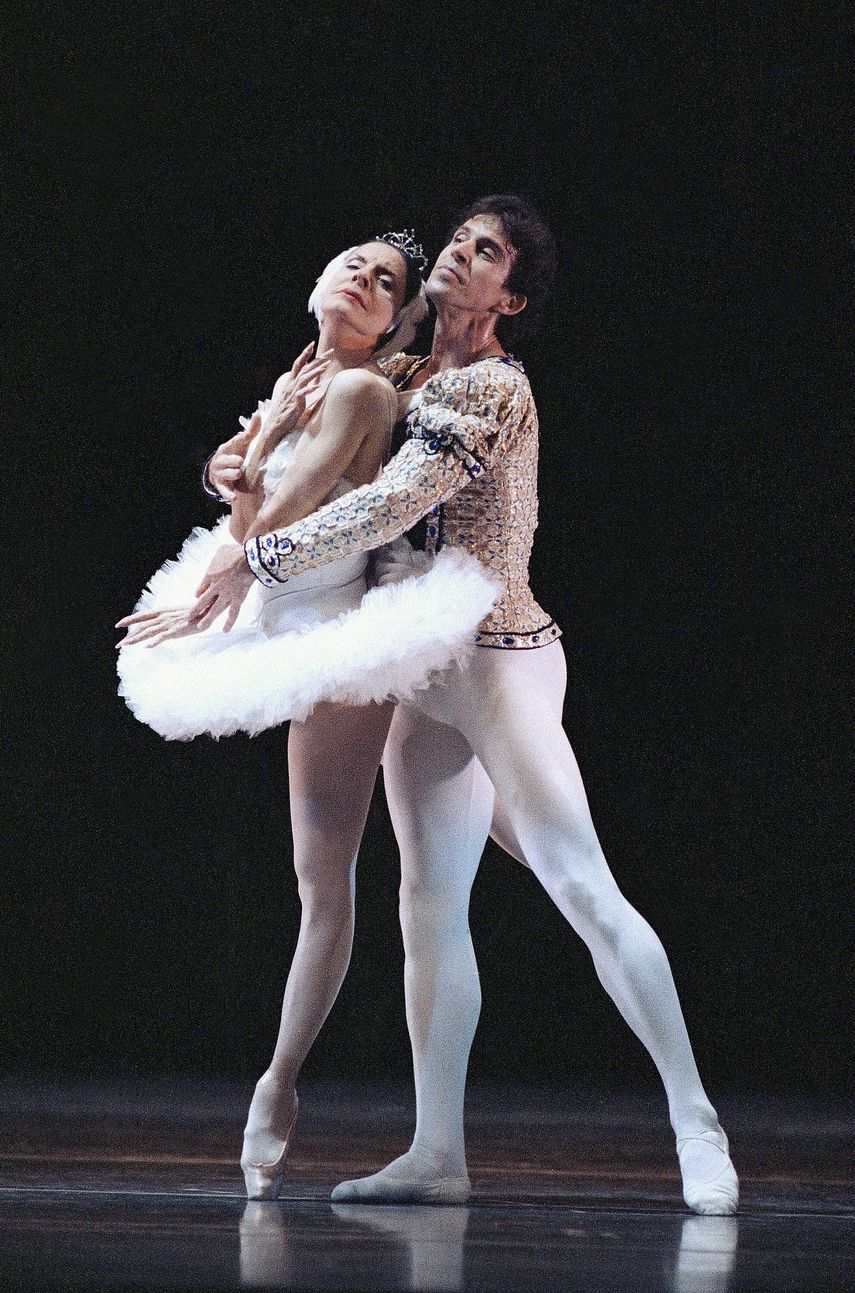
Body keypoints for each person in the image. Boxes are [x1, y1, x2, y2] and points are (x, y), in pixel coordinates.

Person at [174, 195, 740, 1216]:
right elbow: (310, 462)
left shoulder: (492, 387)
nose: (460, 257)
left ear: (510, 298)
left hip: (497, 657)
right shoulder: (393, 377)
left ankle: (696, 1122)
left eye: (487, 254)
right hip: (420, 671)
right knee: (428, 907)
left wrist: (257, 559)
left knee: (579, 881)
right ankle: (439, 1152)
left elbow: (395, 501)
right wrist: (233, 470)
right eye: (461, 240)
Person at [115, 230, 499, 1200]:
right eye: (354, 265)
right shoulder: (311, 377)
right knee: (326, 873)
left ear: (397, 316)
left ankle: (277, 1086)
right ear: (319, 280)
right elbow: (232, 479)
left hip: (331, 633)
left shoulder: (363, 391)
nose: (366, 282)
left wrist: (245, 485)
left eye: (388, 283)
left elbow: (272, 527)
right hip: (273, 611)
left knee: (326, 882)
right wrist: (247, 447)